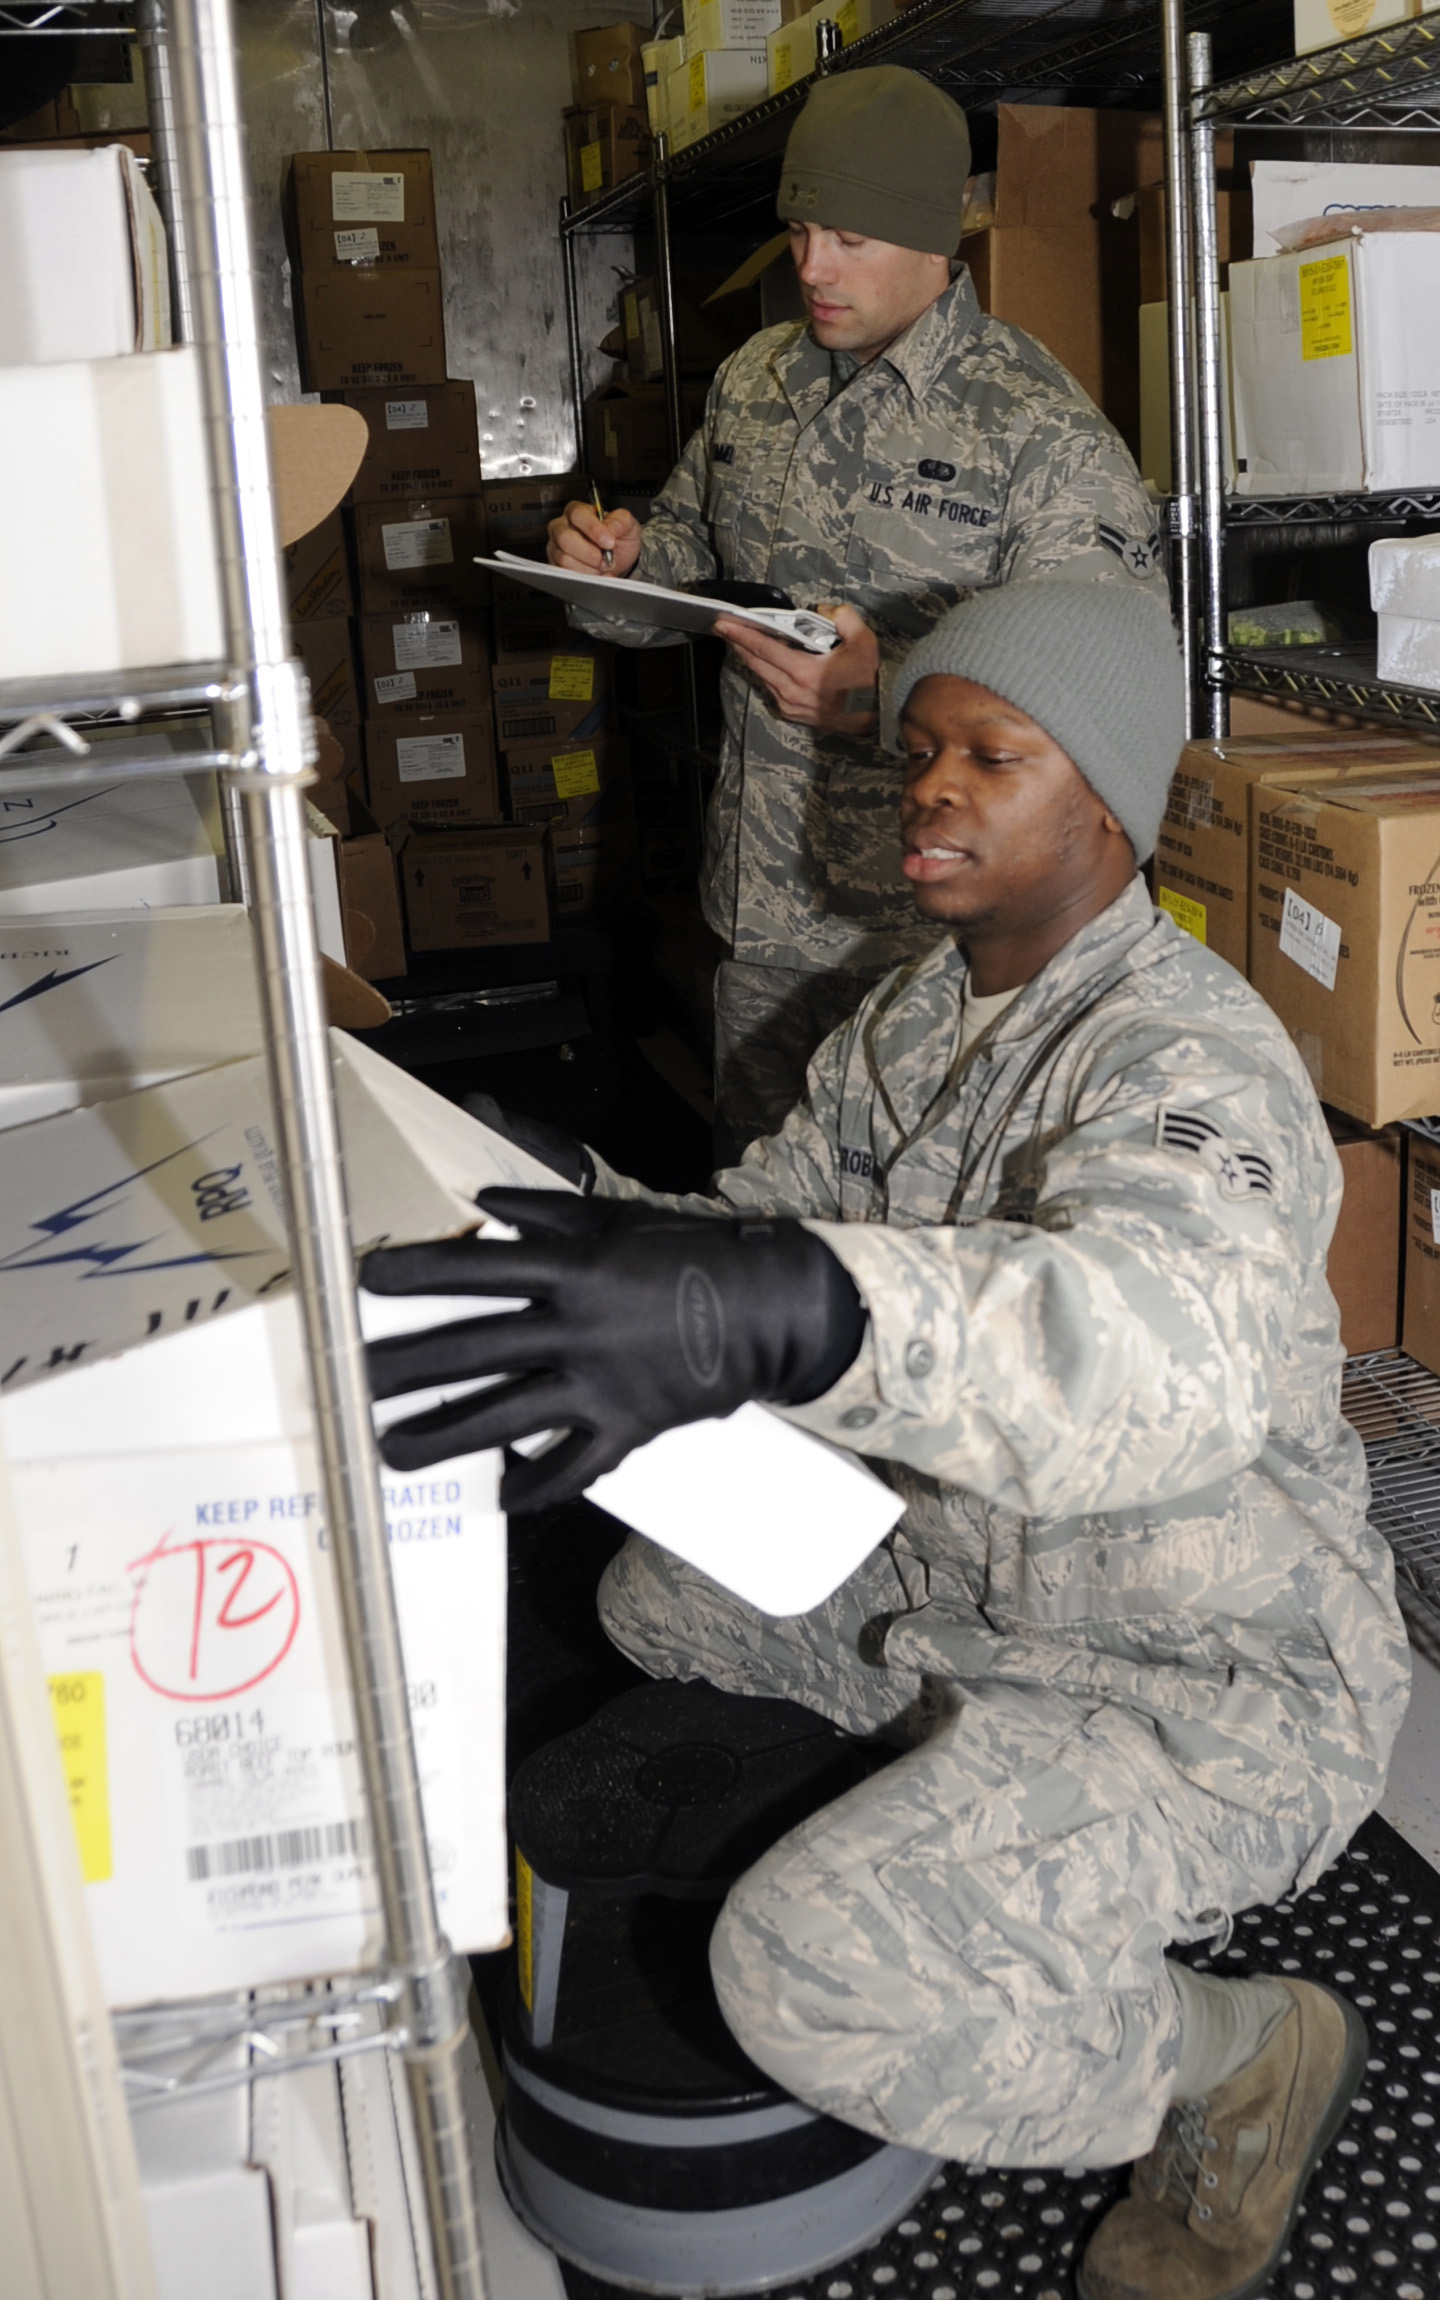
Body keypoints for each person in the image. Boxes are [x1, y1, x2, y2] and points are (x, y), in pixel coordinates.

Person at [363, 581, 1409, 2300]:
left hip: (1206, 1679)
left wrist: (782, 1313)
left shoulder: (1186, 1055)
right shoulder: (915, 1016)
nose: (931, 788)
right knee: (649, 1603)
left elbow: (1162, 1352)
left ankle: (1233, 2050)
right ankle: (988, 1836)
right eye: (920, 750)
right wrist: (558, 1201)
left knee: (815, 1973)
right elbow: (767, 1223)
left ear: (1109, 805)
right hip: (973, 1586)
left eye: (995, 756)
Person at [549, 65, 1168, 1161]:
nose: (810, 269)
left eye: (850, 239)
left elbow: (1111, 705)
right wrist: (627, 561)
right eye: (798, 230)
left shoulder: (1040, 434)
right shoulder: (756, 380)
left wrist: (885, 698)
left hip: (936, 952)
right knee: (767, 1226)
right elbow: (697, 559)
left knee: (920, 1254)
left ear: (938, 244)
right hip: (761, 916)